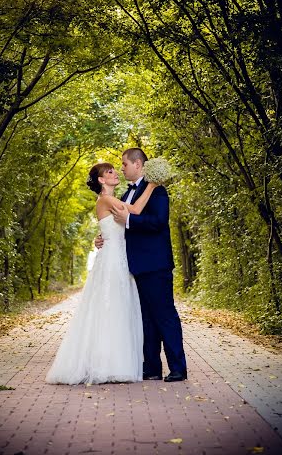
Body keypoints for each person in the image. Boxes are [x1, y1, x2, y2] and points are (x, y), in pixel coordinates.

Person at [45, 162, 156, 385]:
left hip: (119, 257)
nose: (116, 173)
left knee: (118, 309)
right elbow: (133, 212)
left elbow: (112, 226)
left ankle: (115, 363)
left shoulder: (114, 199)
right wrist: (152, 185)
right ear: (101, 181)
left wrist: (99, 237)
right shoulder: (106, 199)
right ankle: (108, 365)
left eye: (116, 170)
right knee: (111, 308)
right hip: (113, 261)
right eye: (110, 172)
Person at [97, 148, 187, 382]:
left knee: (165, 315)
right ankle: (152, 368)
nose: (122, 168)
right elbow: (117, 226)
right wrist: (103, 237)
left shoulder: (157, 192)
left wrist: (129, 220)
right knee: (146, 319)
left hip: (155, 263)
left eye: (125, 163)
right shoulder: (128, 193)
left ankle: (178, 368)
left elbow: (158, 222)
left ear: (138, 164)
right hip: (135, 265)